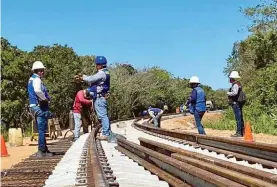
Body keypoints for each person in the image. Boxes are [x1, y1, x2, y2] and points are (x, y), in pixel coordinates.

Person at [75, 56, 111, 141]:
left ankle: (106, 134)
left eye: (97, 64)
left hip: (99, 97)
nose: (96, 66)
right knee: (102, 115)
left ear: (100, 65)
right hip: (100, 96)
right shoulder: (106, 72)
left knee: (102, 116)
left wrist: (82, 77)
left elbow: (91, 79)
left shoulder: (102, 73)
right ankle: (106, 132)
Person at [27, 61, 53, 157]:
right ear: (38, 71)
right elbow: (38, 90)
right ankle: (41, 151)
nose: (43, 72)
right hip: (39, 106)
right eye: (42, 70)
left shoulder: (31, 79)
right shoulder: (36, 80)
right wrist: (45, 98)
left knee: (41, 129)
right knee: (42, 130)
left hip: (34, 106)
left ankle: (45, 150)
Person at [227, 71, 245, 137]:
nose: (229, 79)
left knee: (238, 118)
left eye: (230, 78)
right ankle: (242, 132)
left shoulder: (235, 85)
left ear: (232, 78)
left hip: (236, 103)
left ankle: (239, 133)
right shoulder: (238, 84)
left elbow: (235, 93)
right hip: (238, 103)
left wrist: (228, 93)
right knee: (240, 117)